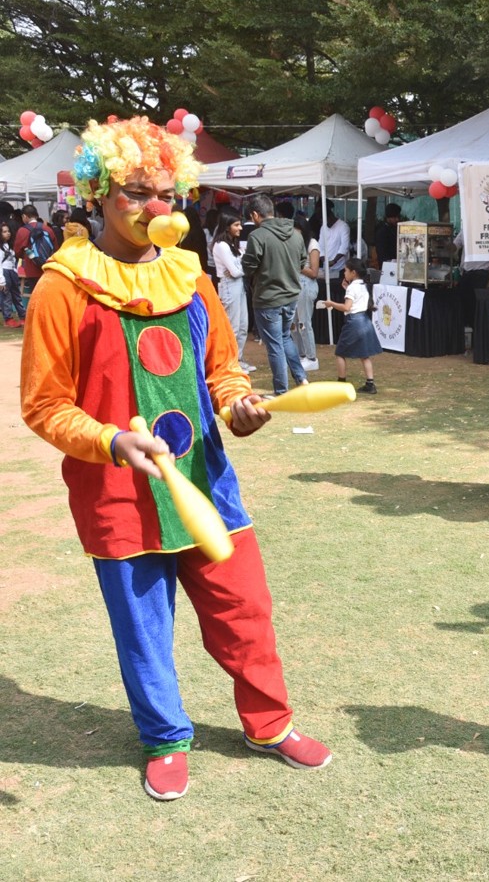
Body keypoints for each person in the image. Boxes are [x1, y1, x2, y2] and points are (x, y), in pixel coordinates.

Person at [20, 116, 330, 801]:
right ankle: (164, 737)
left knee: (245, 608)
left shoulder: (190, 276)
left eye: (166, 194)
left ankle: (269, 724)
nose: (155, 208)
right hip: (117, 496)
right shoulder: (62, 285)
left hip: (206, 479)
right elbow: (44, 405)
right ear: (99, 191)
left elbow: (223, 369)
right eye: (136, 191)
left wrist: (240, 407)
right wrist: (110, 441)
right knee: (143, 629)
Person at [241, 194, 308, 396]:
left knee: (275, 345)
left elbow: (248, 266)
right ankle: (301, 378)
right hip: (291, 296)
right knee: (285, 338)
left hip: (268, 298)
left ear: (255, 215)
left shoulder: (257, 236)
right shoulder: (296, 234)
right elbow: (302, 261)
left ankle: (281, 390)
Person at [320, 256, 381, 393]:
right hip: (364, 320)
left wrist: (331, 304)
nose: (344, 273)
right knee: (364, 355)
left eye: (346, 270)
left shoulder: (352, 288)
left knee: (340, 352)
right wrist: (347, 289)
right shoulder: (363, 285)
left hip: (354, 322)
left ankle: (341, 382)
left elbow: (347, 307)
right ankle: (370, 384)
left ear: (353, 273)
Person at [211, 208, 254, 373]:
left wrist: (241, 267)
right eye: (236, 225)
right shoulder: (221, 245)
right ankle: (229, 363)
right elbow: (235, 271)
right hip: (229, 285)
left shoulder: (231, 244)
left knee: (243, 325)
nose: (240, 228)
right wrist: (243, 268)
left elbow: (238, 269)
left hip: (237, 285)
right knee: (233, 327)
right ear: (227, 226)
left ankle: (238, 359)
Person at [291, 215, 320, 372]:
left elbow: (314, 272)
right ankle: (301, 355)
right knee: (294, 323)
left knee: (304, 322)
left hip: (306, 285)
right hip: (294, 284)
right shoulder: (294, 243)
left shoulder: (313, 244)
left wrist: (295, 265)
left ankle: (311, 357)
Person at [13, 205, 60, 296]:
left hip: (32, 268)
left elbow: (17, 251)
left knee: (36, 295)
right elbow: (56, 248)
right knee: (48, 294)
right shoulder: (47, 229)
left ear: (25, 216)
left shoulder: (22, 231)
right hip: (48, 267)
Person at [0, 222, 25, 327]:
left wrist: (15, 271)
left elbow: (14, 261)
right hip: (4, 273)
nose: (8, 233)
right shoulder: (1, 248)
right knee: (6, 297)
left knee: (17, 295)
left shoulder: (10, 246)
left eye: (8, 231)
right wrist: (1, 280)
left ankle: (23, 316)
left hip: (12, 272)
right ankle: (8, 319)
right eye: (4, 232)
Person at [373, 203, 402, 267]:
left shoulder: (394, 229)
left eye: (398, 217)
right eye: (394, 217)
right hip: (388, 267)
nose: (397, 219)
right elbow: (382, 254)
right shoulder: (382, 232)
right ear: (388, 217)